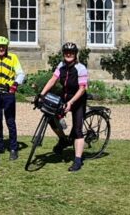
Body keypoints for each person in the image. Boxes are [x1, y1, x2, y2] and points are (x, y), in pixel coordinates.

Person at [38, 42, 89, 172]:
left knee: (77, 130)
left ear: (75, 54)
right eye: (66, 52)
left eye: (71, 52)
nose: (69, 54)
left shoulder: (81, 68)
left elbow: (82, 89)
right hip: (64, 96)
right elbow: (53, 80)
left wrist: (70, 103)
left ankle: (77, 160)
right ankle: (63, 139)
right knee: (50, 117)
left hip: (78, 99)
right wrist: (41, 94)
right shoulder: (61, 66)